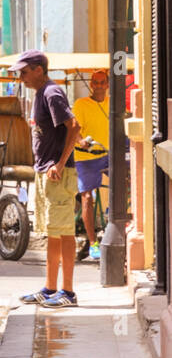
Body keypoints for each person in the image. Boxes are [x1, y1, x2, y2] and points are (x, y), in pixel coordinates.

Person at [16, 51, 84, 309]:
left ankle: (68, 291)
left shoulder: (51, 93)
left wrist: (60, 162)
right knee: (52, 233)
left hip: (59, 173)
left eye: (24, 72)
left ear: (39, 70)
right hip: (47, 171)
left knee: (65, 232)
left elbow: (74, 126)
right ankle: (50, 287)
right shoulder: (40, 93)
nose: (21, 78)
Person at [72, 70, 110, 262]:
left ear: (108, 85)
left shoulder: (112, 103)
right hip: (86, 157)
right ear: (91, 85)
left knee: (128, 181)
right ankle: (93, 241)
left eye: (102, 82)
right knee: (87, 198)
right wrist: (80, 142)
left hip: (108, 155)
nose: (99, 86)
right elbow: (74, 129)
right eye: (95, 82)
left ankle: (114, 214)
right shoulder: (81, 104)